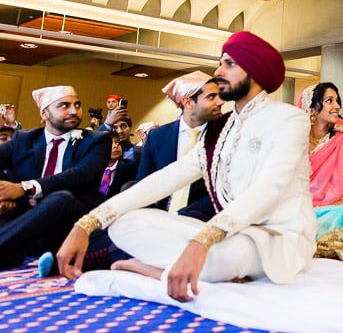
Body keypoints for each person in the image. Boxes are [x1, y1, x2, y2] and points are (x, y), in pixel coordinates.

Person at [56, 31, 315, 300]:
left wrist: (202, 240)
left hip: (276, 239)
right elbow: (167, 177)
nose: (218, 71)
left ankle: (151, 270)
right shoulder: (221, 129)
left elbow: (270, 188)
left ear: (254, 70)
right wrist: (87, 223)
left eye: (229, 64)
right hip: (228, 233)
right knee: (123, 225)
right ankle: (204, 269)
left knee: (220, 256)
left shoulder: (290, 119)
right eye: (220, 63)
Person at [0, 86, 111, 268]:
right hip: (27, 220)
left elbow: (80, 175)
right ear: (44, 114)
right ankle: (9, 253)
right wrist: (4, 194)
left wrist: (24, 187)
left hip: (71, 220)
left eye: (77, 105)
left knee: (61, 198)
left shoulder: (96, 140)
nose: (74, 111)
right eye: (64, 106)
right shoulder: (24, 140)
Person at [137, 72, 222, 219]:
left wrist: (179, 217)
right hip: (158, 221)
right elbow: (144, 184)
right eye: (211, 97)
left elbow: (222, 192)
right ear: (188, 102)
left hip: (203, 222)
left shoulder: (223, 136)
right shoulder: (158, 137)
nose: (220, 102)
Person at [307, 83, 343, 260]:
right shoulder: (296, 143)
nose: (337, 106)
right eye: (329, 101)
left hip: (335, 212)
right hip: (303, 210)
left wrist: (326, 207)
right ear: (313, 108)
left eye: (337, 101)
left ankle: (307, 243)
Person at [101, 130, 138, 199]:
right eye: (110, 144)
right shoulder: (94, 169)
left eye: (117, 142)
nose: (115, 146)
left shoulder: (131, 166)